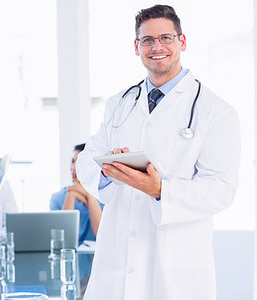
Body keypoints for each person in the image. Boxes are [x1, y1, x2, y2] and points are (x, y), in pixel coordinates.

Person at [76, 5, 240, 300]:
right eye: (148, 40)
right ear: (136, 46)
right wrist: (108, 172)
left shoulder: (215, 111)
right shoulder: (119, 103)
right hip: (116, 265)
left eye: (166, 38)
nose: (157, 47)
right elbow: (88, 158)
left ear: (182, 42)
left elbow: (221, 189)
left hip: (175, 269)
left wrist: (160, 190)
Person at [50, 143, 103, 244]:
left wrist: (89, 196)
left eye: (79, 163)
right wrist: (71, 195)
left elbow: (101, 236)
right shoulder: (58, 198)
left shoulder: (104, 197)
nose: (73, 168)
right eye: (73, 162)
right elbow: (61, 241)